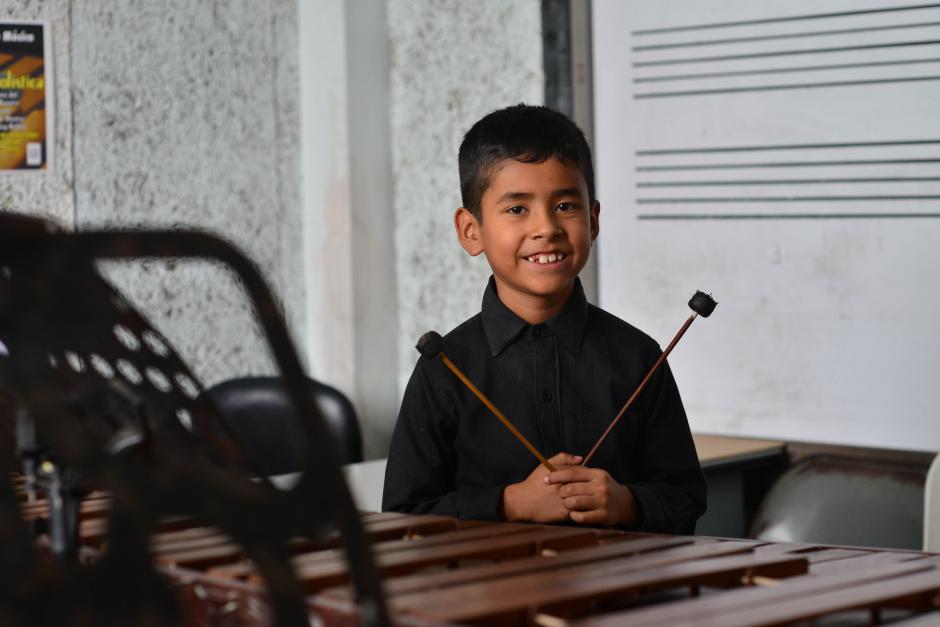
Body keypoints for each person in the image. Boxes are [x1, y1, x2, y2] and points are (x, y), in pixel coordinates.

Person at [382, 104, 706, 533]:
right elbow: (404, 519)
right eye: (517, 209)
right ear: (470, 231)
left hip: (617, 592)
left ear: (592, 221)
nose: (546, 228)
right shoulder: (445, 370)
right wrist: (509, 504)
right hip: (486, 595)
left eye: (566, 206)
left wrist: (626, 503)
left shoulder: (638, 357)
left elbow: (686, 499)